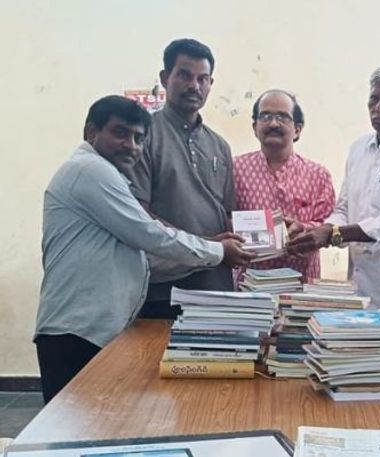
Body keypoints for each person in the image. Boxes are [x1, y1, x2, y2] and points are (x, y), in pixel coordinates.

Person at [34, 96, 254, 403]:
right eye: (120, 133)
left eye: (139, 138)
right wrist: (217, 252)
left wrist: (213, 248)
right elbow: (151, 235)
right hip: (76, 332)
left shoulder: (107, 175)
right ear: (91, 132)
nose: (131, 146)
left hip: (94, 329)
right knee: (71, 436)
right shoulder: (90, 170)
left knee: (97, 431)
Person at [288, 65, 380, 312]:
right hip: (359, 285)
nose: (378, 108)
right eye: (374, 99)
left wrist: (332, 235)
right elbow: (344, 207)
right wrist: (324, 229)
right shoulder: (358, 148)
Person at [128, 38, 236, 319]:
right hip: (162, 290)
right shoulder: (142, 136)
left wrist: (268, 237)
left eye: (203, 78)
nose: (194, 86)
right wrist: (206, 246)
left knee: (218, 364)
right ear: (165, 78)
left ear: (211, 83)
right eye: (185, 75)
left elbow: (226, 214)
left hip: (215, 289)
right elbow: (140, 215)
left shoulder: (220, 145)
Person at [234, 89, 335, 281]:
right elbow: (224, 218)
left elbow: (330, 225)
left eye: (282, 117)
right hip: (249, 289)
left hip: (302, 287)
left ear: (297, 129)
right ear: (254, 126)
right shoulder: (235, 169)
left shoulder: (318, 175)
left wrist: (302, 229)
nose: (273, 123)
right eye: (266, 116)